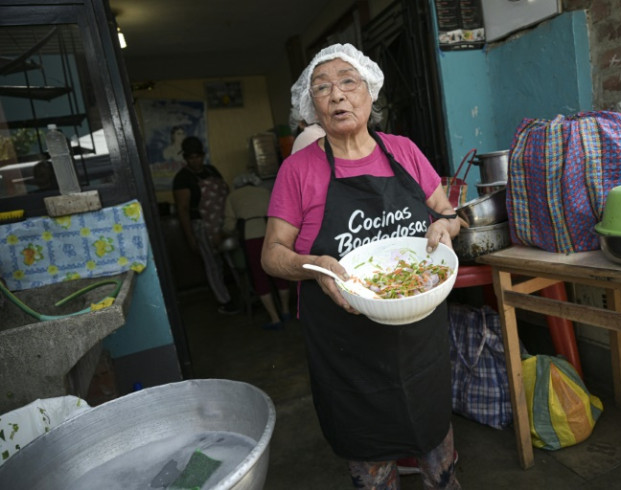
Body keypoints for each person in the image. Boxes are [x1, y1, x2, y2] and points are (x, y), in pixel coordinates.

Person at [262, 43, 463, 489]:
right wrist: (314, 265)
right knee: (371, 467)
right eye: (322, 87)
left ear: (370, 92)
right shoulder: (298, 170)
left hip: (418, 338)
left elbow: (448, 213)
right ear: (310, 105)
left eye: (348, 81)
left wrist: (446, 228)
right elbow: (272, 253)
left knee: (439, 457)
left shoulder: (405, 151)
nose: (337, 95)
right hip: (346, 349)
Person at [172, 136, 239, 315]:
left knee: (233, 260)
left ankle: (243, 293)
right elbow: (183, 209)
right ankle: (224, 301)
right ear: (185, 158)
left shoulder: (212, 170)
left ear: (203, 155)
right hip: (202, 226)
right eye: (191, 157)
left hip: (223, 223)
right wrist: (190, 237)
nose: (195, 160)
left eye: (198, 156)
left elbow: (226, 194)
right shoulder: (182, 178)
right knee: (213, 265)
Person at [223, 172, 291, 329]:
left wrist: (223, 233)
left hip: (250, 238)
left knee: (259, 277)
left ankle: (275, 319)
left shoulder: (232, 197)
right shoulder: (264, 192)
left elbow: (229, 225)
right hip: (271, 234)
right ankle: (286, 311)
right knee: (279, 273)